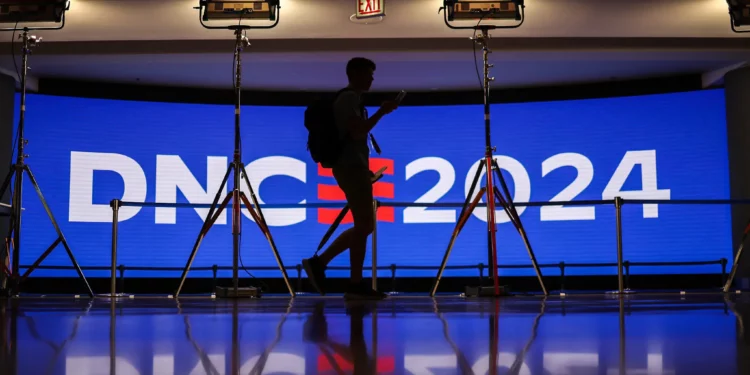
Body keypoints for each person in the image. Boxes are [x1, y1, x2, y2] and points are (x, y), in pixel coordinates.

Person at [303, 57, 399, 299]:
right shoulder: (348, 98)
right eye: (368, 74)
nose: (372, 79)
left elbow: (352, 137)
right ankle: (324, 265)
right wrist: (382, 113)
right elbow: (357, 131)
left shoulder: (352, 99)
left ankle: (353, 282)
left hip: (353, 168)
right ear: (355, 74)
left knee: (363, 226)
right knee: (365, 226)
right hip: (350, 169)